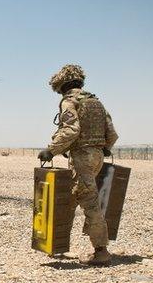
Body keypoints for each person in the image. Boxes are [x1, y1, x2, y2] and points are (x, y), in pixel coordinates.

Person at [38, 64, 119, 266]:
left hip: (82, 157)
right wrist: (104, 148)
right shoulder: (95, 102)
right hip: (97, 156)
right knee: (70, 199)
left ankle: (101, 251)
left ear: (62, 87)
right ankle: (56, 245)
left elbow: (71, 130)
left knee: (89, 201)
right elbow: (112, 132)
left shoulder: (69, 102)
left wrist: (51, 150)